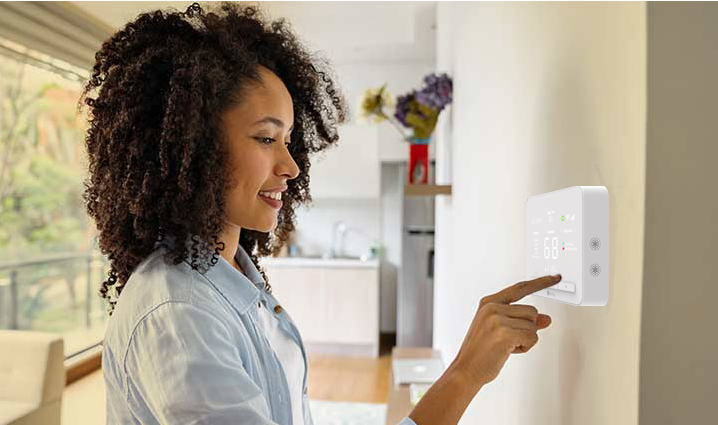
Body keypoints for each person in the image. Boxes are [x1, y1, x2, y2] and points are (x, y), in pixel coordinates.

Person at [78, 3, 560, 424]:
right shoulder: (180, 315)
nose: (289, 166)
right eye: (266, 138)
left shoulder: (228, 275)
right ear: (191, 144)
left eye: (287, 141)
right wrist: (465, 373)